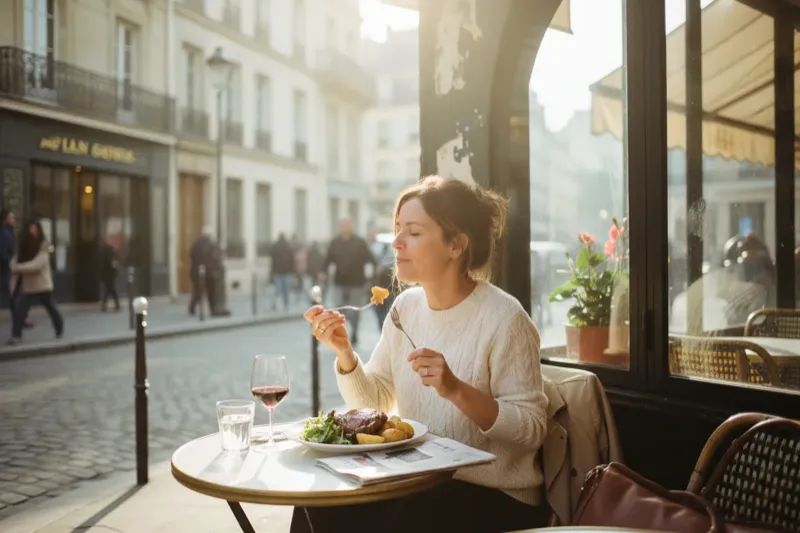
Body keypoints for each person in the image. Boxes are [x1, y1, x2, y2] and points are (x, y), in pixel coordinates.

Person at [300, 176, 549, 533]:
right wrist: (345, 353)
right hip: (422, 480)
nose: (396, 242)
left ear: (456, 245)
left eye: (414, 232)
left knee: (397, 520)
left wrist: (456, 389)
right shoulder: (405, 308)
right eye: (398, 229)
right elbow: (376, 402)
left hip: (494, 494)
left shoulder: (505, 318)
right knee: (317, 502)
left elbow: (532, 430)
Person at [8, 219, 63, 345]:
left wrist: (17, 268)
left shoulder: (44, 245)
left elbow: (36, 265)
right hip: (28, 285)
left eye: (35, 228)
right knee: (20, 310)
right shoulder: (23, 245)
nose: (33, 231)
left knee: (51, 307)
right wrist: (14, 266)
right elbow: (14, 260)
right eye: (31, 228)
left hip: (42, 284)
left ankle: (59, 328)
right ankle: (16, 335)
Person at [320, 219, 375, 345]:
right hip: (339, 282)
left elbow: (371, 259)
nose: (344, 228)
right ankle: (340, 334)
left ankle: (354, 332)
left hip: (357, 283)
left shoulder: (359, 242)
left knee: (354, 311)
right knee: (338, 309)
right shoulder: (335, 242)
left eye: (346, 225)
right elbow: (328, 259)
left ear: (351, 227)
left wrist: (372, 277)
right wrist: (322, 272)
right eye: (342, 226)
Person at [270, 233, 297, 311]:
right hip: (287, 272)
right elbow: (292, 261)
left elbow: (272, 260)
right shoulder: (288, 247)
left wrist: (272, 271)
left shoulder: (275, 247)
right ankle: (286, 305)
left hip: (278, 272)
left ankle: (276, 304)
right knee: (286, 291)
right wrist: (293, 271)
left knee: (277, 290)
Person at [98, 237, 121, 312]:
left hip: (106, 273)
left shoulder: (103, 250)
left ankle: (106, 305)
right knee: (110, 288)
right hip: (109, 273)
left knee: (109, 289)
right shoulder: (109, 250)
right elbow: (114, 261)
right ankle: (114, 304)